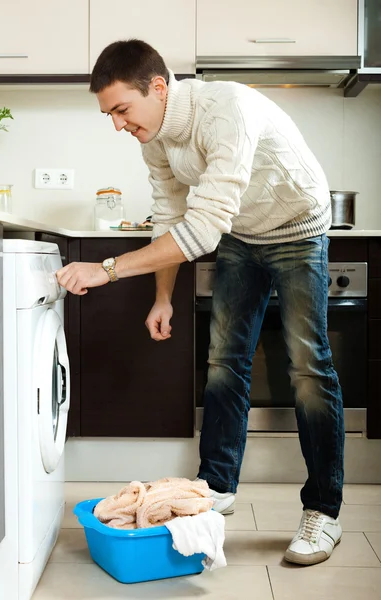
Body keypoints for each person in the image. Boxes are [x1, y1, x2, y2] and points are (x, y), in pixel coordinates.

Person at [56, 39, 344, 566]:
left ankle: (323, 511)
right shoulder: (154, 138)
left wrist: (108, 270)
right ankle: (213, 489)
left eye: (121, 109)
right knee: (223, 364)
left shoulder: (226, 109)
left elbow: (204, 228)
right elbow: (171, 219)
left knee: (307, 366)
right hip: (241, 233)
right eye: (109, 114)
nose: (117, 124)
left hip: (298, 229)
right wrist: (162, 297)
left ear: (158, 87)